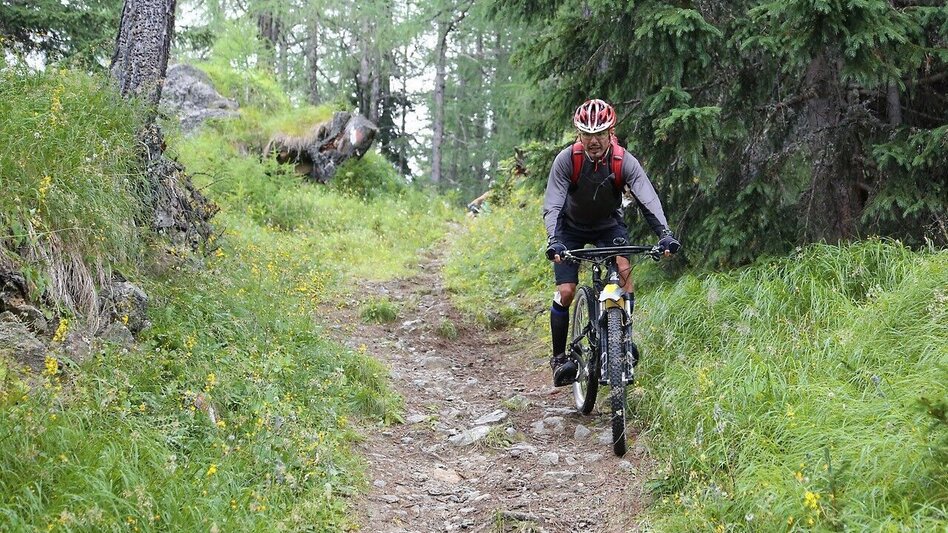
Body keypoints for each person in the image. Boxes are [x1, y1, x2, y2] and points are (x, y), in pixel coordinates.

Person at [543, 99, 680, 387]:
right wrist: (553, 240)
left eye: (600, 134)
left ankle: (623, 340)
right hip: (570, 228)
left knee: (623, 268)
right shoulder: (568, 160)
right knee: (566, 291)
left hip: (608, 224)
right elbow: (554, 203)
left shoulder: (622, 160)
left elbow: (647, 197)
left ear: (611, 132)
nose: (594, 141)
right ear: (578, 134)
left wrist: (664, 234)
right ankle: (559, 358)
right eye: (587, 134)